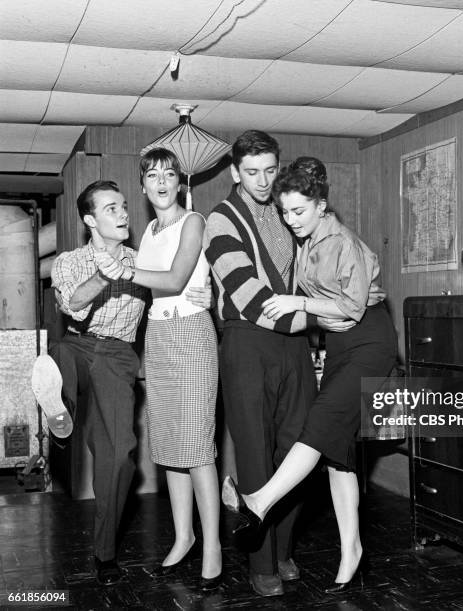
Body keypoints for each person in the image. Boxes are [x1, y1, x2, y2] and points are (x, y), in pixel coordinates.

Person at [222, 157, 398, 593]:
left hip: (369, 343)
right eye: (284, 212)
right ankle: (352, 550)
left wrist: (300, 305)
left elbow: (352, 309)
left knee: (317, 429)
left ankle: (259, 501)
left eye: (298, 211)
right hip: (340, 347)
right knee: (339, 456)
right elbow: (327, 310)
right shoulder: (306, 241)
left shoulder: (343, 243)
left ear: (321, 205)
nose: (290, 220)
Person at [202, 131, 349, 598]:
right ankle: (260, 562)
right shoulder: (219, 220)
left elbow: (323, 272)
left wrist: (333, 305)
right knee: (254, 454)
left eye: (269, 170)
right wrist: (321, 314)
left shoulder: (290, 211)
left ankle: (284, 551)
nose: (262, 181)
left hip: (295, 342)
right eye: (251, 172)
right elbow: (249, 297)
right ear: (233, 173)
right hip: (248, 342)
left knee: (298, 451)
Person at [92, 149, 222, 591]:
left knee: (198, 445)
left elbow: (173, 280)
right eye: (153, 175)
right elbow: (143, 287)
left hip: (191, 335)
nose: (162, 181)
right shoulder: (147, 230)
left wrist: (125, 267)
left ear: (180, 183)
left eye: (169, 174)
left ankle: (212, 546)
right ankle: (184, 536)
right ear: (143, 187)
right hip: (160, 338)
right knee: (168, 444)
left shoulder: (194, 222)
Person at [50, 180, 148, 585]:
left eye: (124, 206)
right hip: (78, 345)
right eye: (111, 208)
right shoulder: (69, 261)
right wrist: (103, 276)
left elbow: (174, 293)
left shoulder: (143, 262)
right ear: (90, 219)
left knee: (119, 455)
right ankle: (59, 409)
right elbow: (71, 304)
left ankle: (104, 553)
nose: (123, 213)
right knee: (60, 356)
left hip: (118, 356)